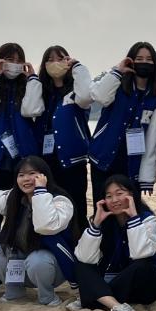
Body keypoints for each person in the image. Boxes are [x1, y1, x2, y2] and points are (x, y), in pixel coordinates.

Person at [0, 156, 77, 305]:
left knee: (37, 261)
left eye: (32, 174)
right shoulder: (15, 198)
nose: (26, 179)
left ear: (44, 176)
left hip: (53, 265)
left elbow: (45, 226)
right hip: (23, 261)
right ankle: (14, 292)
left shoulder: (60, 200)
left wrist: (40, 192)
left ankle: (47, 296)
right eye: (21, 175)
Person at [0, 42, 43, 283]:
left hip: (22, 159)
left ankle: (20, 262)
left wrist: (32, 79)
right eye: (8, 60)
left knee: (22, 213)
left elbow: (32, 109)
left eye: (17, 60)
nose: (13, 65)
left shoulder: (29, 86)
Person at [71, 175, 156, 311]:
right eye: (109, 196)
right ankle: (117, 306)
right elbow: (84, 256)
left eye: (119, 193)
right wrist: (96, 224)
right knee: (81, 264)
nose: (114, 200)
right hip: (117, 283)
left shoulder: (147, 218)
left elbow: (140, 254)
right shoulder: (105, 222)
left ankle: (97, 297)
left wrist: (133, 218)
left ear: (131, 195)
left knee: (142, 265)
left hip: (145, 283)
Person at [30, 45, 93, 235]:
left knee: (77, 208)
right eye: (49, 60)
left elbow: (87, 96)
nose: (55, 63)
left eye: (60, 59)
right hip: (46, 161)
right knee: (48, 207)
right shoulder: (42, 92)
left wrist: (77, 67)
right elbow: (29, 109)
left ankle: (79, 248)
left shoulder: (76, 92)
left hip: (73, 161)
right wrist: (33, 80)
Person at [88, 42, 156, 199]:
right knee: (102, 208)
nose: (144, 62)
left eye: (149, 59)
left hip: (131, 165)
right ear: (131, 62)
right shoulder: (117, 87)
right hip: (103, 159)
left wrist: (147, 178)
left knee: (129, 210)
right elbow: (99, 96)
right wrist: (117, 71)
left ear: (155, 64)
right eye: (139, 59)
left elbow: (153, 140)